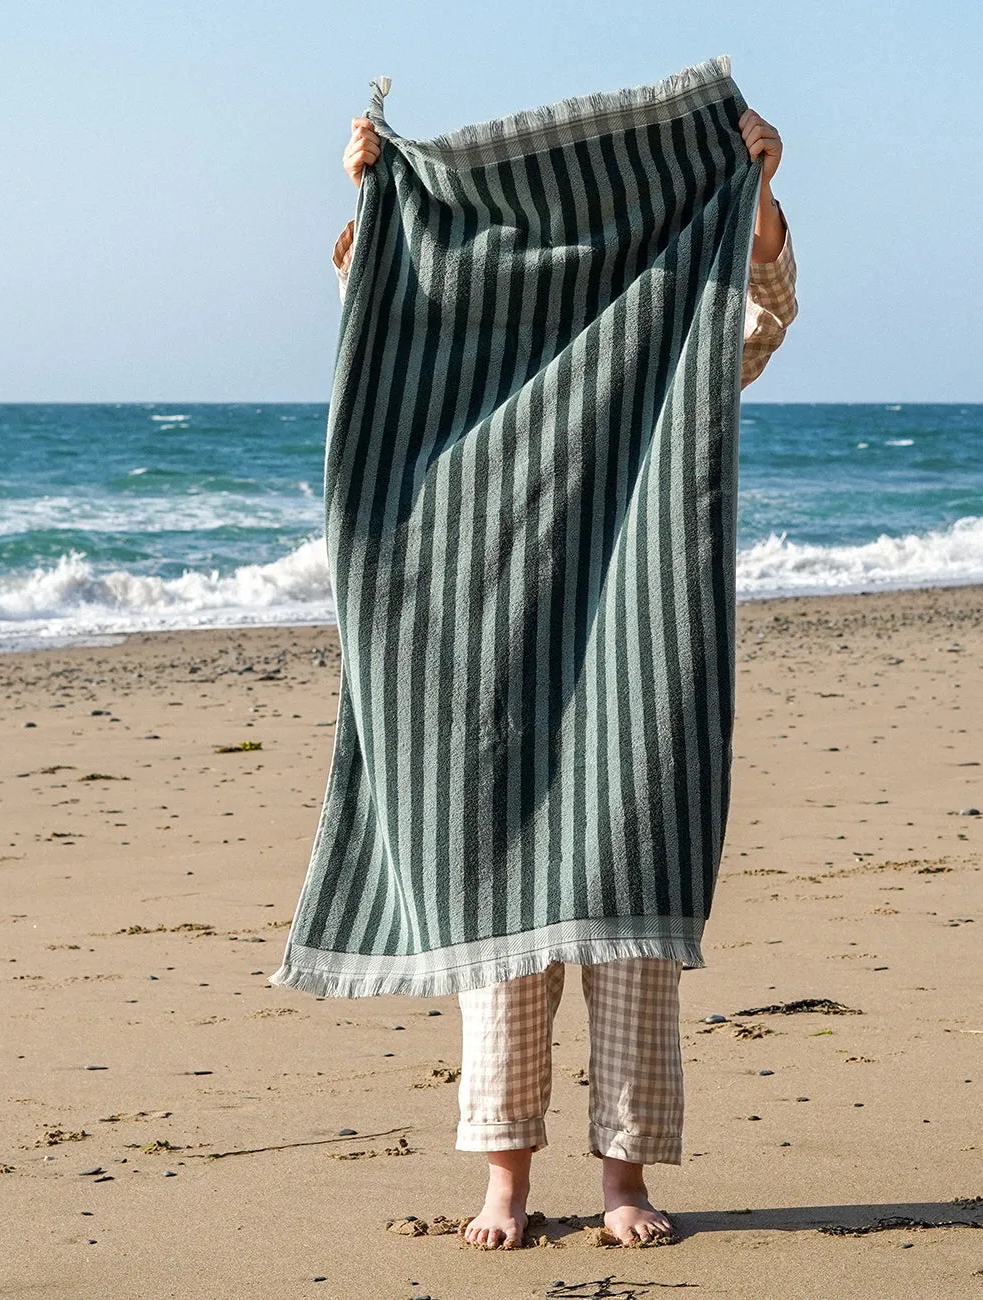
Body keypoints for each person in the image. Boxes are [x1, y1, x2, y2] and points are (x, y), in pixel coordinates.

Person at [330, 104, 798, 1251]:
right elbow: (387, 323)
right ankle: (503, 1182)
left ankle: (622, 1180)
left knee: (628, 911)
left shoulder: (664, 342)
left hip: (637, 641)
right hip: (491, 647)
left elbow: (763, 316)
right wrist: (373, 203)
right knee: (503, 919)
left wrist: (759, 194)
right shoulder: (478, 366)